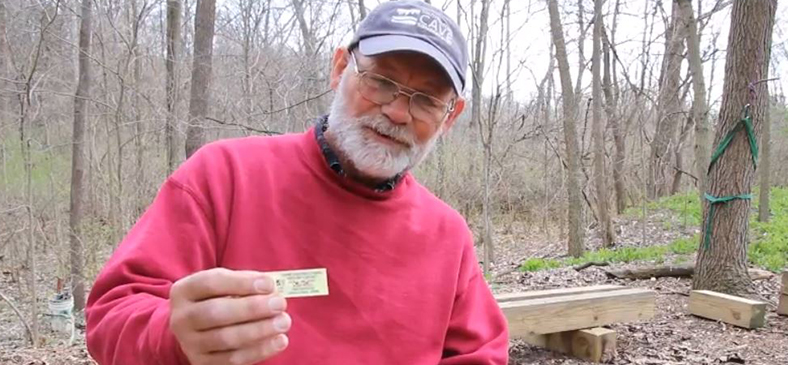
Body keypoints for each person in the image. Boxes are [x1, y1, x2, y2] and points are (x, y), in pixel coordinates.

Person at [84, 1, 509, 364]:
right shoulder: (225, 175)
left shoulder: (446, 235)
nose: (398, 112)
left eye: (427, 100)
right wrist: (172, 337)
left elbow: (481, 353)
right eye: (381, 81)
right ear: (340, 67)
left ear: (449, 118)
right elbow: (111, 315)